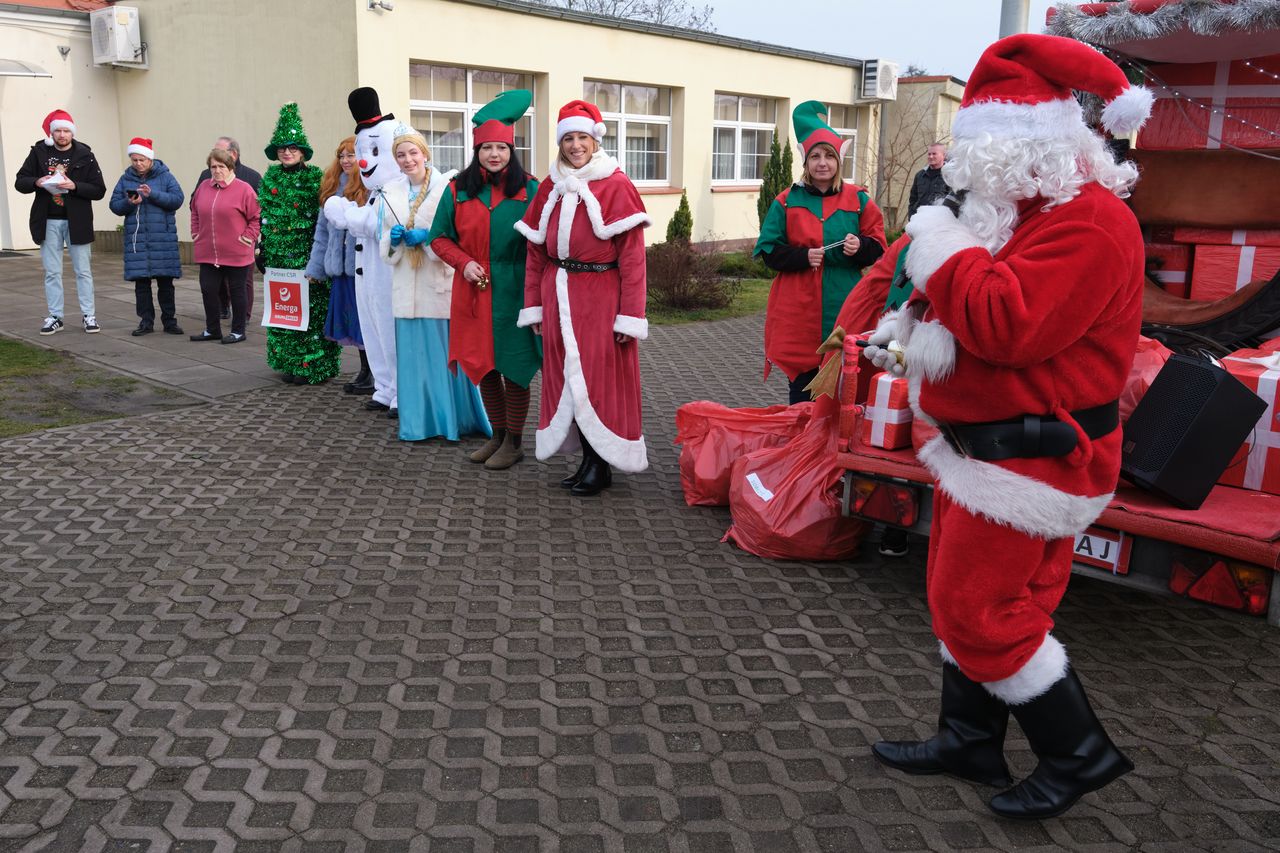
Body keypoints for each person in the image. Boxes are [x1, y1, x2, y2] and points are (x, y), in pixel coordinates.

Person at [864, 33, 1151, 819]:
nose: (975, 169)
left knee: (981, 611)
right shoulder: (1022, 212)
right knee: (967, 599)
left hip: (1033, 462)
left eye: (988, 149)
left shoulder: (1090, 222)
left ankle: (1079, 753)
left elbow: (1005, 321)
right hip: (985, 452)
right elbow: (964, 304)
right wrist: (907, 330)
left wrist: (939, 243)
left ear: (1038, 145)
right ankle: (969, 738)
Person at [515, 100, 651, 496]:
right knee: (567, 380)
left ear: (595, 141)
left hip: (600, 297)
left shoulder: (616, 184)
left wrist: (629, 316)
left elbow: (633, 259)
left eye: (582, 138)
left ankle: (599, 463)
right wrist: (534, 307)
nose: (575, 146)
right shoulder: (550, 186)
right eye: (568, 139)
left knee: (598, 380)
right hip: (557, 295)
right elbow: (535, 255)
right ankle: (587, 461)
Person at [429, 89, 542, 469]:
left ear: (512, 151)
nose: (494, 154)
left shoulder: (531, 189)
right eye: (487, 148)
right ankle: (497, 435)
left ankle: (515, 441)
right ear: (476, 150)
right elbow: (439, 237)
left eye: (502, 148)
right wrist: (463, 263)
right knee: (484, 366)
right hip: (473, 290)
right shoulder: (457, 190)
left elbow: (544, 240)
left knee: (515, 367)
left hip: (516, 289)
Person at [755, 101, 886, 404]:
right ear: (806, 162)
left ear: (839, 161)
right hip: (798, 312)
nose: (822, 163)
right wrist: (803, 257)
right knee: (802, 392)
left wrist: (859, 247)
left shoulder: (859, 200)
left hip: (845, 306)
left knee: (845, 386)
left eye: (829, 156)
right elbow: (769, 251)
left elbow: (879, 248)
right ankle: (802, 433)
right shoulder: (786, 201)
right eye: (815, 156)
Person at [380, 128, 488, 441]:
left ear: (425, 154)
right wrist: (393, 241)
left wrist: (428, 238)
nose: (408, 159)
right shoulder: (390, 193)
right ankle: (418, 425)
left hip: (438, 287)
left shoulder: (447, 188)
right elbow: (384, 240)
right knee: (412, 362)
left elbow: (461, 235)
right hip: (405, 288)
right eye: (401, 155)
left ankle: (452, 421)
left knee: (444, 360)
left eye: (413, 153)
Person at [324, 88, 401, 415]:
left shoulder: (396, 191)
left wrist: (344, 212)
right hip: (366, 275)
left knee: (390, 331)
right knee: (371, 329)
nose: (364, 161)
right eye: (361, 151)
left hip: (388, 276)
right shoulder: (375, 192)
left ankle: (400, 391)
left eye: (372, 151)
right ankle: (384, 387)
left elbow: (377, 224)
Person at [258, 103, 342, 384]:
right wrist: (262, 248)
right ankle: (290, 363)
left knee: (312, 313)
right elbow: (266, 217)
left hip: (308, 259)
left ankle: (314, 366)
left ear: (303, 151)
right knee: (284, 312)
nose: (287, 152)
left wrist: (320, 258)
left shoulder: (316, 178)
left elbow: (324, 221)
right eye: (282, 148)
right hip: (279, 260)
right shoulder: (270, 177)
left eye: (292, 147)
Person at [14, 109, 106, 335]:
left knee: (83, 271)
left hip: (78, 221)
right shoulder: (38, 153)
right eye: (58, 131)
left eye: (66, 131)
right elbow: (20, 181)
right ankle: (55, 316)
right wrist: (37, 181)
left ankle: (89, 315)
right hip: (48, 220)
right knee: (52, 272)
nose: (62, 135)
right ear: (51, 133)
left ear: (72, 132)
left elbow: (99, 190)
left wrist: (75, 186)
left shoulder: (85, 154)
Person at [306, 137, 372, 395]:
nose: (345, 160)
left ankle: (374, 373)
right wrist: (315, 268)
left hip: (362, 269)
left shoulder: (370, 186)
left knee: (366, 323)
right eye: (341, 155)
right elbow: (322, 232)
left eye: (350, 155)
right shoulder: (333, 185)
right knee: (353, 323)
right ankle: (365, 370)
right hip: (340, 271)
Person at [108, 137, 185, 336]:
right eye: (134, 160)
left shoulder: (166, 177)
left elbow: (177, 200)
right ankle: (146, 322)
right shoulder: (125, 179)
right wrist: (130, 202)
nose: (138, 164)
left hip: (163, 240)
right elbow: (114, 205)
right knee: (141, 284)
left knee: (165, 283)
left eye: (142, 160)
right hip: (138, 241)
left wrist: (153, 195)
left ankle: (170, 322)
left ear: (150, 159)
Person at [189, 148, 259, 343]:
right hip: (208, 252)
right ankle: (212, 329)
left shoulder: (244, 189)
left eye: (221, 166)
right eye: (213, 167)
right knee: (208, 289)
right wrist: (196, 232)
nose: (217, 170)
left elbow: (256, 217)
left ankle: (238, 331)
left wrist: (247, 238)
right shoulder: (203, 187)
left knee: (237, 291)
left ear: (230, 167)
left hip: (237, 252)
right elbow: (194, 211)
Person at [908, 142, 950, 219]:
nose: (930, 156)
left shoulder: (950, 175)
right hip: (919, 220)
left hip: (939, 221)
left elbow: (953, 202)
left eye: (934, 154)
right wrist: (911, 216)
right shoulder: (920, 175)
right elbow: (913, 199)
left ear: (944, 156)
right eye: (929, 154)